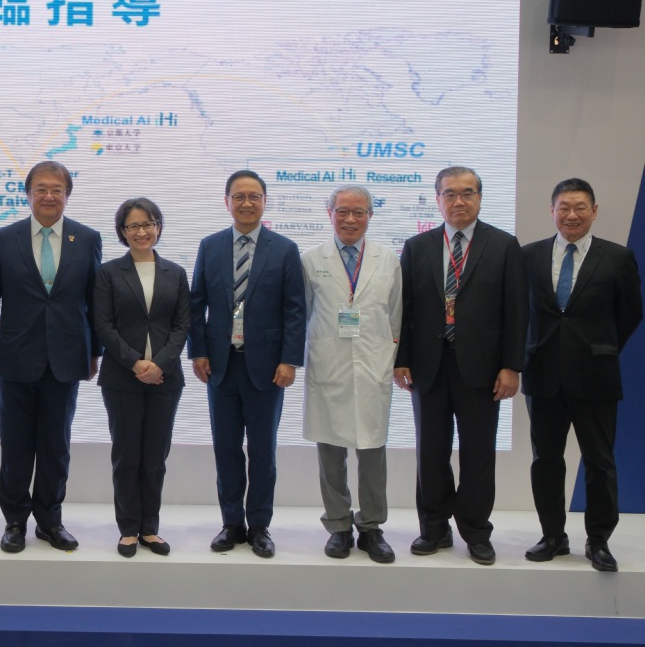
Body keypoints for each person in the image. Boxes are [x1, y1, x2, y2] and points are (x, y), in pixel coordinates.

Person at [394, 166, 527, 565]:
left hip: (483, 369)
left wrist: (512, 366)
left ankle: (476, 531)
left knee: (478, 454)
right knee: (430, 452)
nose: (458, 201)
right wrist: (401, 359)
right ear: (437, 200)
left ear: (480, 198)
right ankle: (434, 528)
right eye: (449, 194)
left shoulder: (503, 245)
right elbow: (405, 310)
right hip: (428, 368)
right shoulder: (417, 247)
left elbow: (516, 311)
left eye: (467, 193)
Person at [0, 160, 102, 553]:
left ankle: (50, 520)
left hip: (66, 357)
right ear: (28, 194)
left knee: (55, 446)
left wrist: (94, 351)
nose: (49, 196)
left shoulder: (87, 238)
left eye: (57, 190)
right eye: (41, 189)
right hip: (16, 357)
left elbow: (95, 301)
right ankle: (15, 521)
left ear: (67, 195)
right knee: (16, 445)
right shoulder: (5, 237)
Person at [522, 178, 642, 572]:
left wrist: (600, 348)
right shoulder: (529, 255)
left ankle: (599, 540)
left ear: (594, 211)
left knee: (599, 461)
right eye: (564, 207)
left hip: (595, 375)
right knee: (546, 461)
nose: (571, 215)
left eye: (580, 207)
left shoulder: (617, 258)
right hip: (543, 375)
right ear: (552, 211)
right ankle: (553, 536)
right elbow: (519, 312)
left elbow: (630, 313)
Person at [188, 170, 306, 558]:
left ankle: (259, 526)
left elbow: (294, 310)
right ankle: (231, 524)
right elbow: (196, 304)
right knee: (226, 449)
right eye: (239, 196)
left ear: (265, 202)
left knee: (263, 451)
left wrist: (289, 360)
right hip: (221, 366)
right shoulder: (210, 246)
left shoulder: (284, 249)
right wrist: (198, 351)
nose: (247, 203)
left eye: (254, 196)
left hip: (267, 368)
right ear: (227, 202)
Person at [301, 185, 401, 563]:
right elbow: (302, 314)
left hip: (373, 366)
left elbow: (396, 316)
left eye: (359, 212)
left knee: (373, 452)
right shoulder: (311, 259)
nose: (350, 219)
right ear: (330, 214)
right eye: (342, 211)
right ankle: (339, 525)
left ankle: (371, 526)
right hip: (330, 366)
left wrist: (390, 358)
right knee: (330, 452)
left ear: (370, 216)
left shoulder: (387, 259)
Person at [93, 198, 190, 558]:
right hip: (121, 378)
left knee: (154, 457)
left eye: (148, 224)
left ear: (158, 227)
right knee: (127, 456)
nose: (142, 231)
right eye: (133, 226)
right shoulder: (108, 273)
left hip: (166, 380)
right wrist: (136, 364)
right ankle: (128, 529)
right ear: (122, 231)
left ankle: (150, 528)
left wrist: (160, 364)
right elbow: (103, 325)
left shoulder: (175, 273)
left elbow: (182, 325)